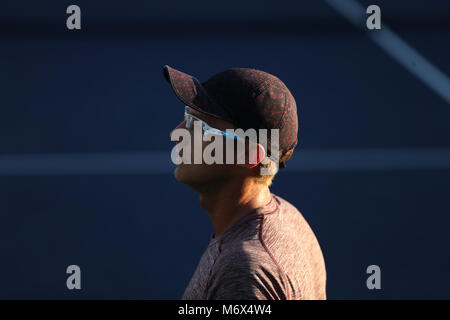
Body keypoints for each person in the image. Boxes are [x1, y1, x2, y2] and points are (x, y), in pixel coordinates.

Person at [163, 65, 326, 300]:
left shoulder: (242, 270)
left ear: (248, 155)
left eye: (197, 125)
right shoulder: (288, 216)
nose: (176, 133)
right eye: (187, 117)